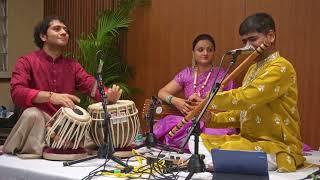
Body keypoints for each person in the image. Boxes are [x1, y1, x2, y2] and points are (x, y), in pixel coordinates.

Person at [190, 13, 305, 172]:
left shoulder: (281, 67)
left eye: (253, 39)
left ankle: (225, 163)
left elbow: (246, 97)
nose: (247, 46)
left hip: (276, 144)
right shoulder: (252, 69)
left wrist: (210, 99)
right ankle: (226, 163)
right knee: (197, 141)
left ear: (270, 36)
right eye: (244, 41)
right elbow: (245, 113)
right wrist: (212, 118)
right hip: (248, 141)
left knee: (228, 150)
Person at [2, 16, 122, 158]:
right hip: (40, 122)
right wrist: (51, 97)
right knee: (32, 114)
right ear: (43, 36)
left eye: (65, 30)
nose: (64, 32)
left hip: (66, 125)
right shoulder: (26, 61)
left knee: (93, 124)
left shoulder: (73, 66)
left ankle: (55, 147)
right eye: (57, 29)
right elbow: (17, 92)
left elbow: (91, 85)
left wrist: (108, 94)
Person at [154, 34, 237, 151]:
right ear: (193, 52)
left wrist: (205, 104)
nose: (205, 53)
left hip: (211, 123)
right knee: (169, 122)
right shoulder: (186, 74)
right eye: (200, 50)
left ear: (214, 53)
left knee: (214, 135)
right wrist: (176, 101)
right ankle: (193, 145)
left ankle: (194, 146)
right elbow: (162, 92)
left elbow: (232, 106)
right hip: (189, 122)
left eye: (210, 50)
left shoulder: (223, 76)